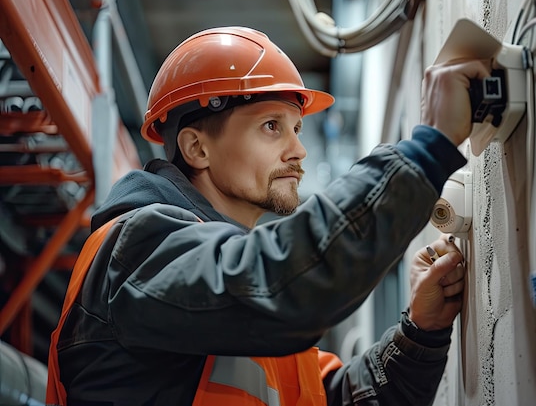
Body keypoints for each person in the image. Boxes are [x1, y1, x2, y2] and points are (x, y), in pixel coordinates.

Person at [46, 26, 490, 406]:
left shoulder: (239, 306)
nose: (299, 150)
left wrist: (420, 332)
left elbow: (336, 395)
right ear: (197, 148)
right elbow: (281, 282)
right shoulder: (136, 252)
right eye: (271, 126)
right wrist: (429, 147)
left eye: (296, 128)